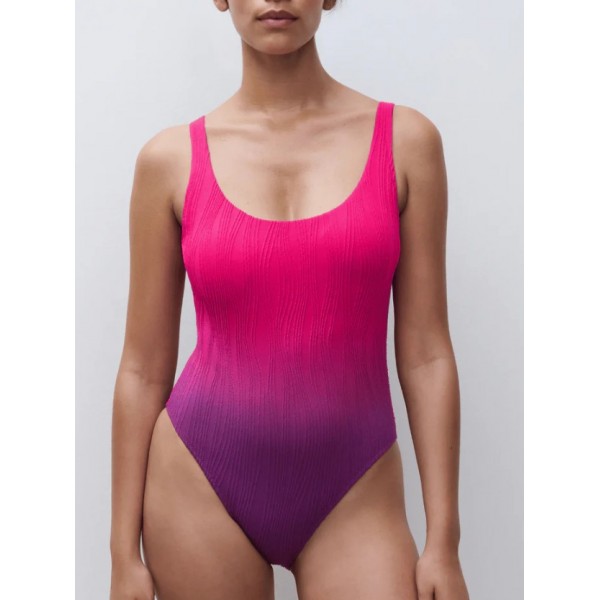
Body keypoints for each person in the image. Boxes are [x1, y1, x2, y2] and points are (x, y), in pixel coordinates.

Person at [109, 1, 470, 599]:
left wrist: (443, 543)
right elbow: (143, 369)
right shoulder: (169, 162)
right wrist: (122, 556)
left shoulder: (407, 143)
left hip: (356, 490)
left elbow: (427, 354)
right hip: (199, 482)